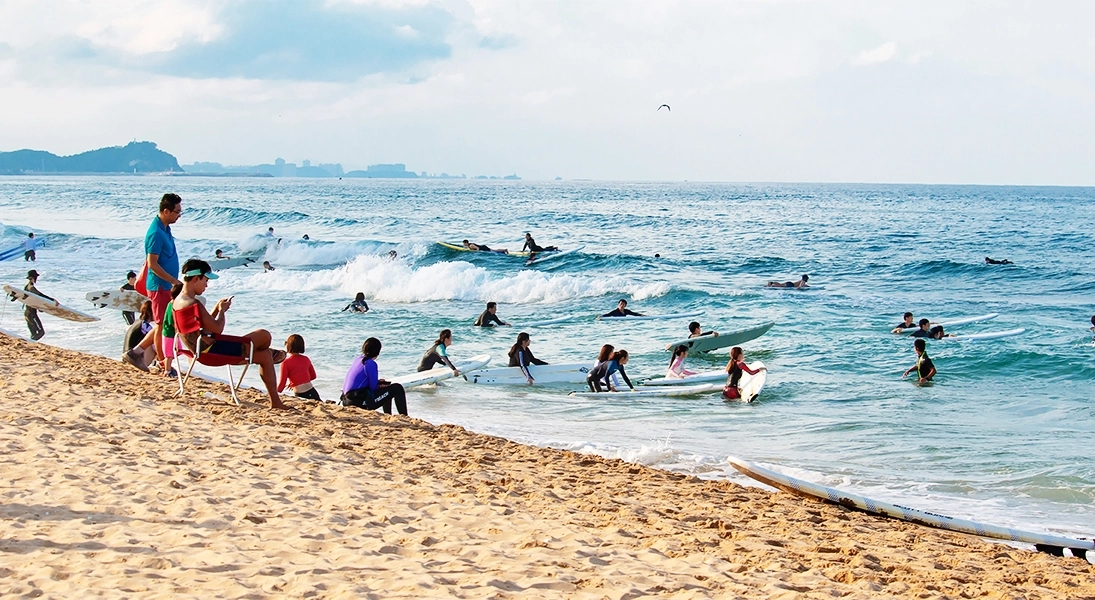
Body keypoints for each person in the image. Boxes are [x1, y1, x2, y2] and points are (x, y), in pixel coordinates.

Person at [172, 259, 288, 409]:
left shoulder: (178, 301)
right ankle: (275, 395)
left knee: (264, 356)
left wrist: (214, 309)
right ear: (196, 279)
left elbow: (201, 326)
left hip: (199, 351)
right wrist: (222, 311)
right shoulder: (194, 303)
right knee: (264, 335)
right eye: (205, 281)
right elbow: (216, 328)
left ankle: (276, 400)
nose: (207, 285)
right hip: (213, 352)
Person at [123, 193, 182, 373]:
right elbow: (153, 264)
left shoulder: (165, 227)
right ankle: (164, 364)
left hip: (165, 286)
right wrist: (173, 281)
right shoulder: (156, 232)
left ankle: (137, 351)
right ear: (166, 211)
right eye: (177, 212)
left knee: (162, 324)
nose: (179, 215)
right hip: (160, 286)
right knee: (161, 326)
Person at [340, 337, 408, 415]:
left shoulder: (358, 359)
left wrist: (378, 383)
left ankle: (388, 415)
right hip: (357, 402)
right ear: (377, 351)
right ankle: (405, 416)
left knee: (387, 390)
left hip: (346, 400)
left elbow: (361, 383)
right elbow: (373, 387)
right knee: (397, 388)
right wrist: (379, 385)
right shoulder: (370, 364)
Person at [278, 334, 321, 401]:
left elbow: (282, 385)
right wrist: (298, 380)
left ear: (289, 345)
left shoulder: (286, 363)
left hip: (301, 394)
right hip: (312, 392)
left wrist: (274, 395)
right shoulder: (306, 359)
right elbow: (313, 376)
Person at [21, 270, 53, 341]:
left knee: (34, 334)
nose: (37, 279)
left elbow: (32, 300)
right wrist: (52, 300)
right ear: (33, 277)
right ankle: (29, 343)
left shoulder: (27, 287)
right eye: (36, 277)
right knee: (41, 332)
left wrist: (40, 307)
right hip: (31, 314)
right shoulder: (31, 287)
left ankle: (28, 344)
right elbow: (40, 295)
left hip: (27, 313)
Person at [122, 301, 156, 368]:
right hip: (133, 359)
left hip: (126, 356)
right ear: (149, 313)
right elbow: (155, 345)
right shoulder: (145, 326)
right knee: (155, 342)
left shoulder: (137, 322)